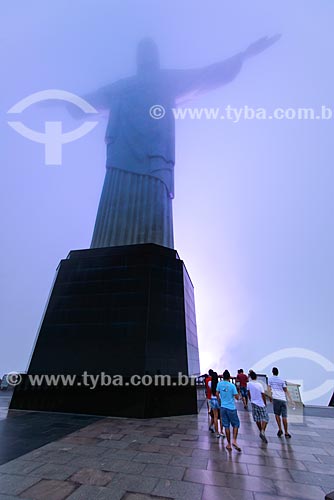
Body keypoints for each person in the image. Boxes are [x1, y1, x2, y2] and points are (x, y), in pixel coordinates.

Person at [216, 369, 241, 452]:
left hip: (223, 407)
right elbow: (237, 397)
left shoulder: (219, 384)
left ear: (223, 377)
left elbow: (217, 394)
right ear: (229, 377)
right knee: (236, 424)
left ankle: (229, 444)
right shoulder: (232, 386)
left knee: (226, 426)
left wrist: (220, 401)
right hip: (231, 408)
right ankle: (234, 440)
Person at [268, 367, 293, 438]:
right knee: (284, 416)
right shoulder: (282, 380)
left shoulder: (270, 379)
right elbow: (285, 390)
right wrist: (290, 399)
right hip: (283, 399)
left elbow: (269, 389)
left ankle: (280, 429)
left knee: (277, 414)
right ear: (278, 372)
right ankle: (286, 432)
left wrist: (270, 397)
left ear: (272, 372)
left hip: (276, 398)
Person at [247, 371, 269, 443]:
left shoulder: (249, 384)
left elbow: (248, 393)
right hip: (260, 403)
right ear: (256, 377)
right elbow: (263, 394)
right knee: (265, 418)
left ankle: (261, 431)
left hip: (253, 403)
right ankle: (262, 431)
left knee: (257, 418)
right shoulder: (259, 385)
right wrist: (265, 403)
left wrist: (251, 399)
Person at [208, 372, 224, 438]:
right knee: (221, 417)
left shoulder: (210, 383)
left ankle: (217, 432)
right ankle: (221, 431)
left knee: (215, 416)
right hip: (218, 399)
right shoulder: (219, 384)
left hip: (212, 399)